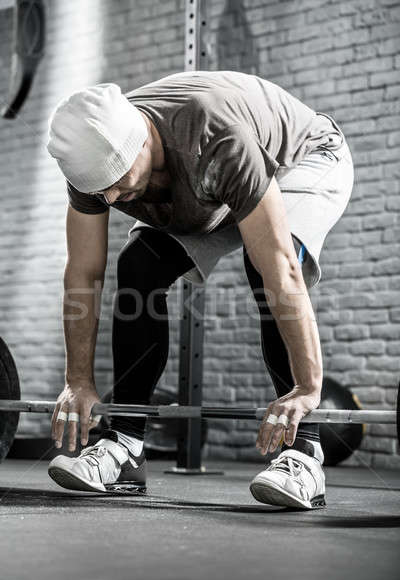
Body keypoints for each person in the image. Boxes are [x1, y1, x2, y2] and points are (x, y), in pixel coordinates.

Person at [46, 70, 354, 508]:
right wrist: (77, 380)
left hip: (303, 158)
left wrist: (309, 387)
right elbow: (82, 274)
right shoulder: (91, 160)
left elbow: (281, 270)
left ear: (141, 142)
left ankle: (303, 453)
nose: (111, 199)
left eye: (117, 182)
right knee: (138, 267)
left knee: (261, 262)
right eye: (101, 190)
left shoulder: (216, 138)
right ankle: (126, 446)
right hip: (206, 185)